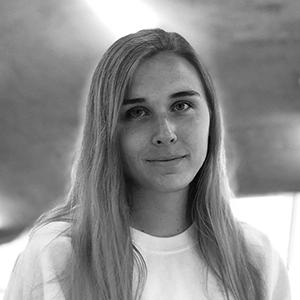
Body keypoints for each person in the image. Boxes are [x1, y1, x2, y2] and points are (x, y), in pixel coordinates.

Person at [4, 28, 291, 300]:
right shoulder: (57, 255)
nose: (166, 134)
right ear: (106, 132)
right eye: (137, 112)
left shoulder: (255, 257)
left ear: (211, 117)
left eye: (181, 106)